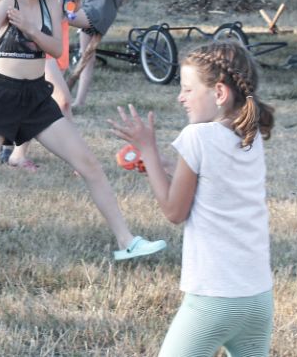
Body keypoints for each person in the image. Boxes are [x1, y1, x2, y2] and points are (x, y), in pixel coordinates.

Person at [0, 0, 166, 264]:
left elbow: (55, 48)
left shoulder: (51, 2)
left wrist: (29, 28)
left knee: (90, 165)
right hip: (0, 97)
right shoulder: (7, 1)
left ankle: (127, 241)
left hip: (37, 97)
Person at [108, 41, 274, 357]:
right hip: (258, 297)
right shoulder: (249, 136)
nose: (180, 97)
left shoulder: (197, 136)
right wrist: (161, 164)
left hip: (214, 299)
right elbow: (213, 179)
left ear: (219, 93)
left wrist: (148, 150)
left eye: (187, 89)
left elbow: (174, 211)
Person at [4, 0, 80, 170]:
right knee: (63, 100)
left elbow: (74, 11)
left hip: (59, 34)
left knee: (37, 98)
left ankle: (17, 154)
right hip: (35, 35)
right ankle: (79, 160)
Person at [70, 0, 125, 110]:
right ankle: (79, 101)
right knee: (87, 57)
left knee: (61, 15)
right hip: (86, 8)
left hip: (100, 11)